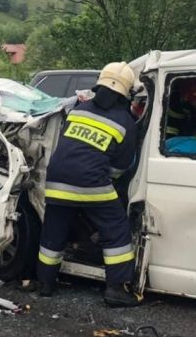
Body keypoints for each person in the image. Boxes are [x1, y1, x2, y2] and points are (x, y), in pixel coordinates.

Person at [36, 62, 141, 307]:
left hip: (56, 180)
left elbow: (67, 144)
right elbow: (120, 167)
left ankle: (45, 284)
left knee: (54, 229)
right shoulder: (125, 121)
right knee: (116, 226)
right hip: (91, 182)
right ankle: (116, 289)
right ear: (125, 92)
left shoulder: (79, 110)